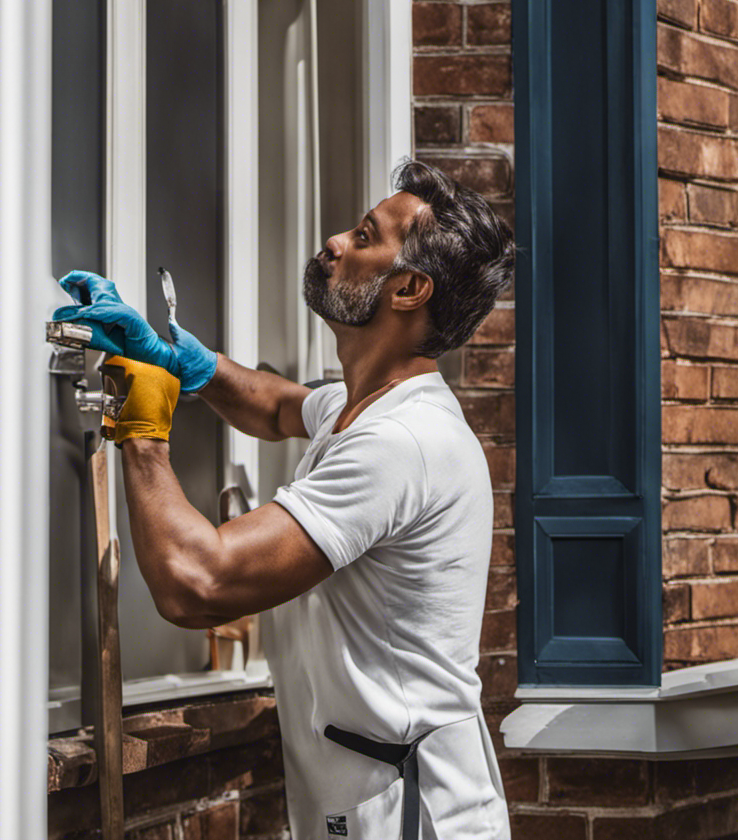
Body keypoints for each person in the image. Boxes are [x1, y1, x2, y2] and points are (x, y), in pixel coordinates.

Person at [52, 160, 515, 839]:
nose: (335, 241)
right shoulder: (366, 407)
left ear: (409, 288)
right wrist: (186, 362)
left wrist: (144, 431)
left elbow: (197, 582)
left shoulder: (400, 443)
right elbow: (273, 405)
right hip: (368, 801)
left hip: (412, 816)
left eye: (363, 237)